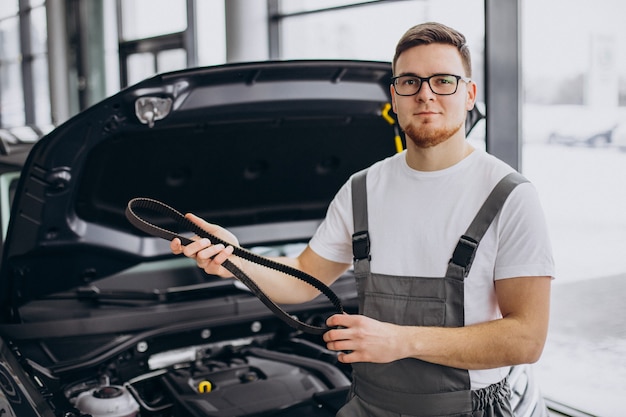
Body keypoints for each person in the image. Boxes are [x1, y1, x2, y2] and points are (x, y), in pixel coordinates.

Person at [171, 21, 554, 417]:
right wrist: (236, 259)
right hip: (369, 404)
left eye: (443, 81)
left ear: (470, 93)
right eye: (410, 82)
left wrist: (403, 341)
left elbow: (526, 339)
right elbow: (304, 277)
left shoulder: (510, 197)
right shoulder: (362, 189)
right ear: (394, 95)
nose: (425, 94)